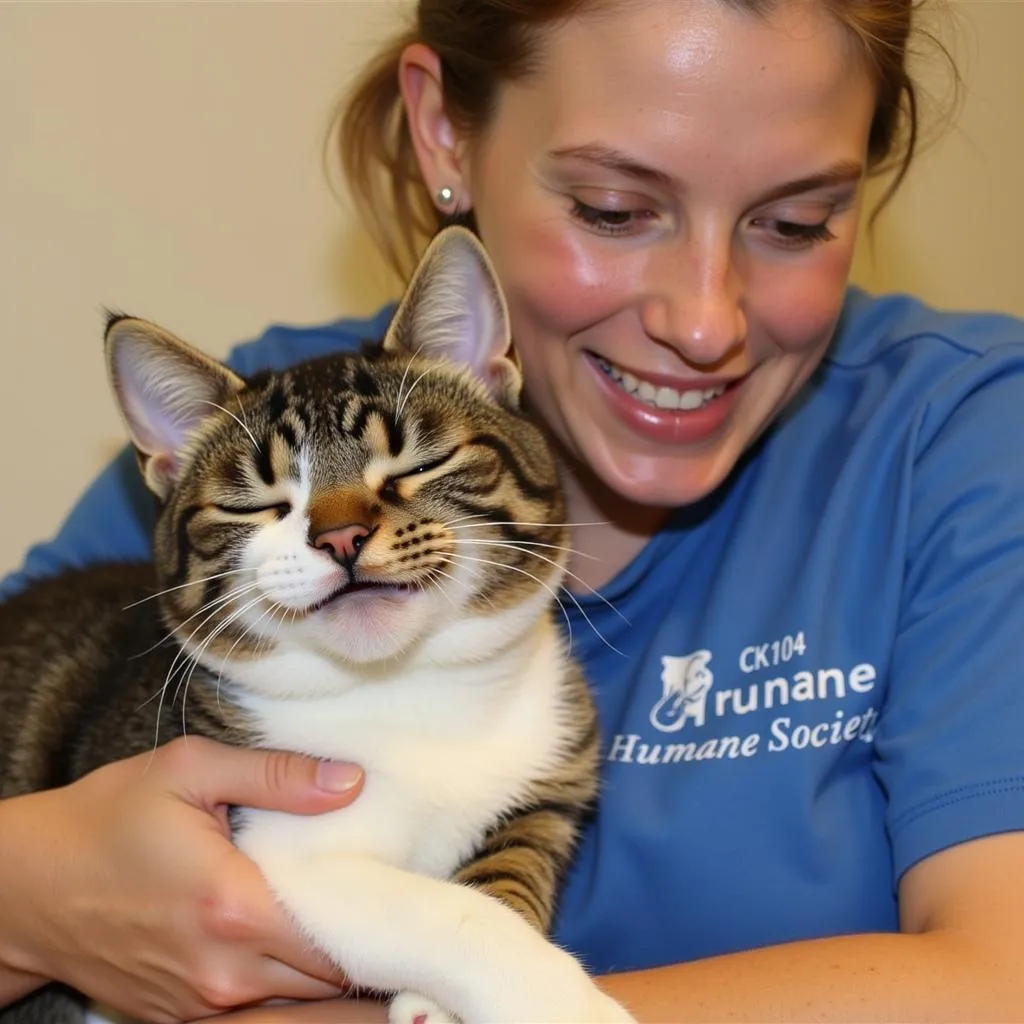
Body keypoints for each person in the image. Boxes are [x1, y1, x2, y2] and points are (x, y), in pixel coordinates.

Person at [4, 0, 1024, 1021]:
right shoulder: (232, 460)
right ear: (446, 132)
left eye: (797, 221)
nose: (704, 320)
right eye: (614, 209)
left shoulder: (962, 440)